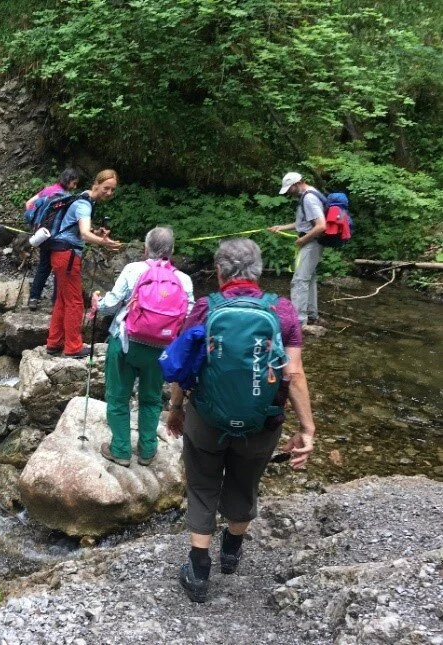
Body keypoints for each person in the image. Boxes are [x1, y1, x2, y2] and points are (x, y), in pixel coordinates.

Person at [164, 238, 316, 603]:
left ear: (219, 272)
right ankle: (231, 552)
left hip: (207, 419)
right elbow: (292, 374)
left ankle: (199, 570)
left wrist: (176, 407)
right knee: (244, 483)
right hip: (262, 423)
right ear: (259, 271)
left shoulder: (205, 307)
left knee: (202, 485)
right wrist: (307, 428)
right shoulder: (282, 311)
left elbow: (184, 366)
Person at [91, 227, 194, 467]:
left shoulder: (133, 269)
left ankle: (121, 450)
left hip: (127, 343)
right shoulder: (183, 279)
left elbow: (110, 305)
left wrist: (97, 302)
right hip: (161, 348)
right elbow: (189, 317)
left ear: (145, 249)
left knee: (118, 397)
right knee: (151, 398)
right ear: (172, 250)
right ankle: (147, 450)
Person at [44, 169, 122, 358]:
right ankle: (73, 347)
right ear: (97, 184)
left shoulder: (85, 198)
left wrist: (97, 232)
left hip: (60, 253)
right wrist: (103, 241)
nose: (109, 193)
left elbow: (79, 229)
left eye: (112, 190)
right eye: (106, 188)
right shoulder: (84, 204)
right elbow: (85, 234)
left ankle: (54, 343)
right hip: (68, 255)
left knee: (63, 300)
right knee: (75, 302)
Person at [268, 172, 327, 326]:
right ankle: (312, 315)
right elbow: (304, 222)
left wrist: (302, 240)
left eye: (289, 189)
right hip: (312, 242)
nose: (288, 192)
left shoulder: (309, 198)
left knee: (299, 280)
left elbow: (321, 225)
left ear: (297, 183)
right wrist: (282, 227)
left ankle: (299, 321)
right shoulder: (309, 194)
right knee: (309, 278)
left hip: (312, 243)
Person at [26, 168, 81, 311]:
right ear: (68, 181)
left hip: (42, 236)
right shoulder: (67, 198)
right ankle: (56, 302)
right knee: (58, 270)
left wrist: (36, 226)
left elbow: (29, 204)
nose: (75, 187)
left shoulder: (46, 191)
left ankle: (34, 298)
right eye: (74, 183)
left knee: (43, 267)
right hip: (58, 239)